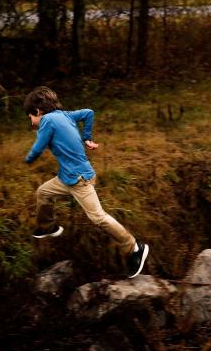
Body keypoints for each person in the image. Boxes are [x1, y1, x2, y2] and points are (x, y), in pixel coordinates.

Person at [23, 86, 150, 278]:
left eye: (30, 117)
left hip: (80, 179)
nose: (31, 122)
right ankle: (48, 226)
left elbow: (38, 147)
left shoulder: (47, 120)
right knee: (43, 192)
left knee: (98, 217)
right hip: (67, 177)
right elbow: (88, 113)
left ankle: (134, 248)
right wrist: (87, 137)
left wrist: (29, 158)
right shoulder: (65, 115)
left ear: (38, 112)